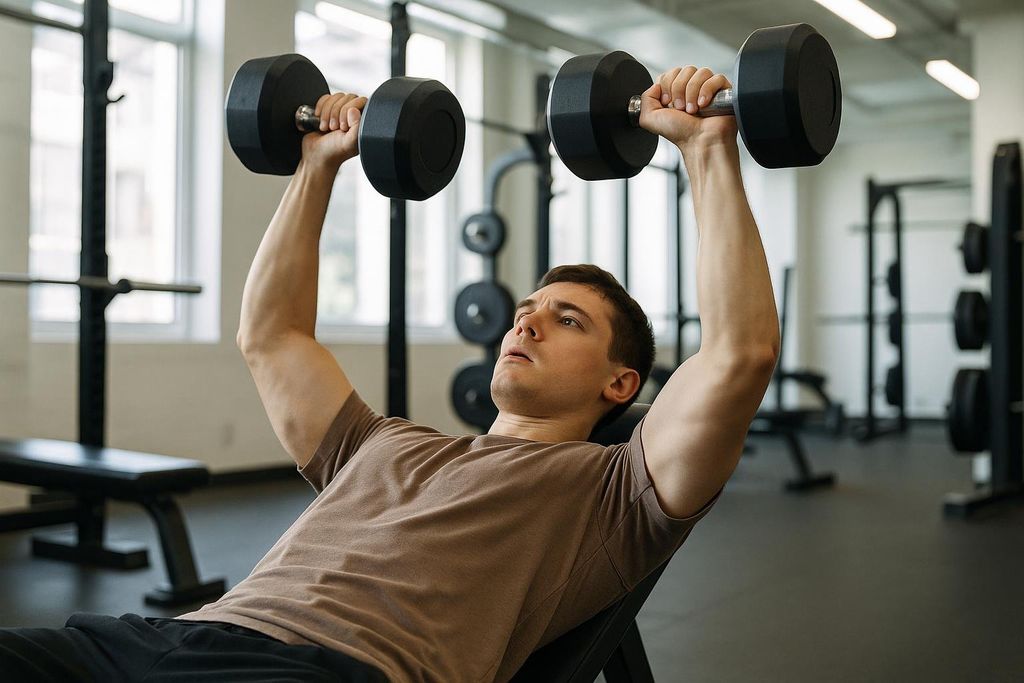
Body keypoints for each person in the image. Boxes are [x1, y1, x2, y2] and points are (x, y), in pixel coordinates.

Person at [0, 66, 778, 682]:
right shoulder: (379, 443)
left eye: (567, 319)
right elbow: (270, 335)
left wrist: (707, 149)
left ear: (621, 383)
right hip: (156, 638)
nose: (526, 321)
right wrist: (317, 165)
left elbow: (738, 353)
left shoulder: (614, 492)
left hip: (313, 671)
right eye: (528, 307)